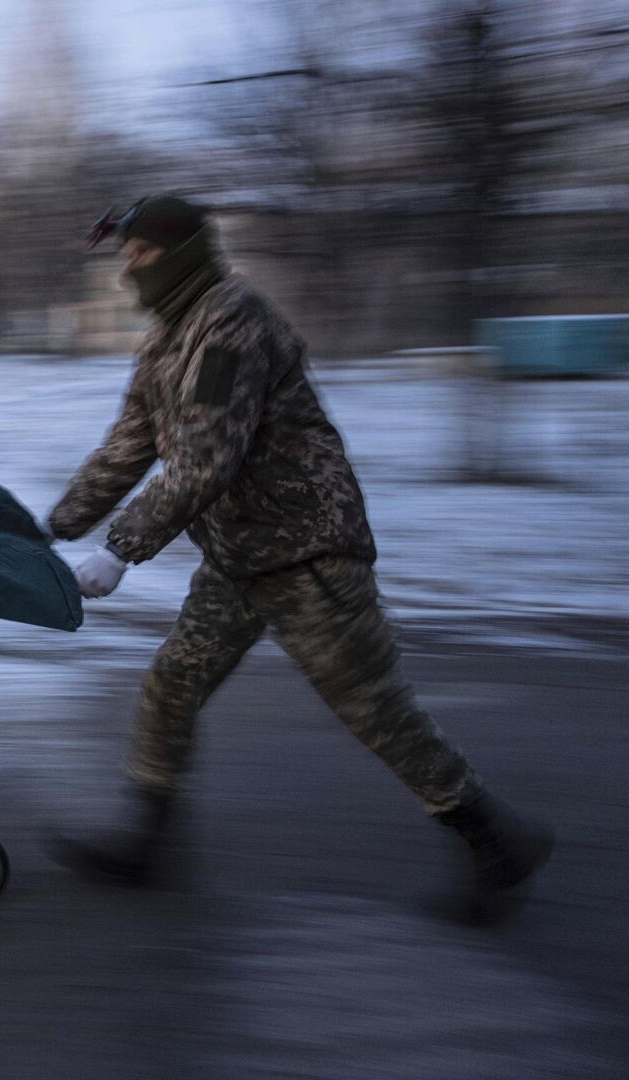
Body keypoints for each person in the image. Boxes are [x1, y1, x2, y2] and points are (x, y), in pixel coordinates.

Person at [46, 194, 552, 921]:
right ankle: (143, 844)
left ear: (181, 253)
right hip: (239, 558)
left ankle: (495, 843)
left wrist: (122, 550)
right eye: (125, 257)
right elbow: (129, 445)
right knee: (171, 685)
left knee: (375, 711)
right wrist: (58, 524)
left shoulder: (231, 326)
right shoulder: (166, 341)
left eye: (140, 255)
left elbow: (204, 462)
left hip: (307, 553)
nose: (130, 271)